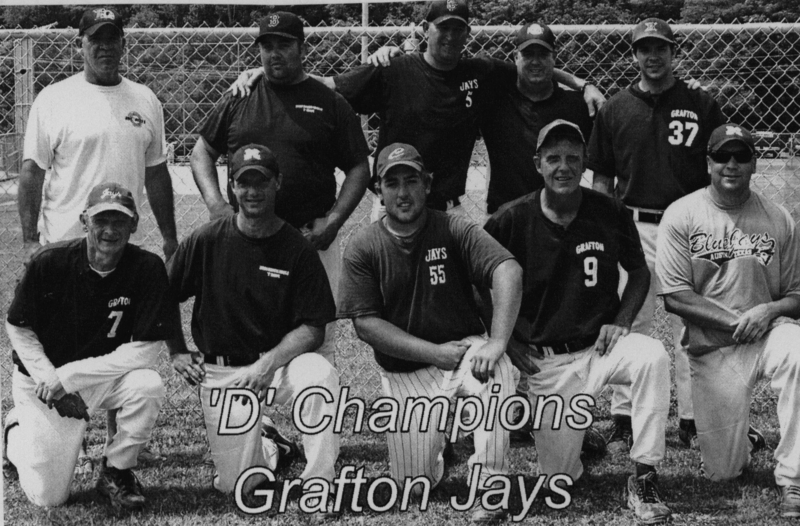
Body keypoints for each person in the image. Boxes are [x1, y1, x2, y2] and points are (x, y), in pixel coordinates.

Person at [230, 0, 605, 219]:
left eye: (459, 29)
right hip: (393, 200)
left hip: (449, 207)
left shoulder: (480, 72)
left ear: (467, 34)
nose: (451, 36)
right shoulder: (393, 69)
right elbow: (328, 85)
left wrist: (582, 83)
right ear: (426, 29)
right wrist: (264, 74)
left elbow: (535, 67)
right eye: (443, 28)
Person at [484, 120, 672, 524]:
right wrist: (506, 339)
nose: (563, 167)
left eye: (573, 157)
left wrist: (622, 320)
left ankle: (644, 476)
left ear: (586, 161)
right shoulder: (511, 219)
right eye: (553, 158)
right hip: (549, 361)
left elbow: (639, 273)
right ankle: (576, 437)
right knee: (559, 480)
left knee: (652, 356)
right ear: (538, 163)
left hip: (603, 348)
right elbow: (475, 283)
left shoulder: (609, 210)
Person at [17, 7, 178, 471]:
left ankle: (113, 451)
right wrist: (33, 242)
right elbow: (32, 172)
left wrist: (168, 238)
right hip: (66, 243)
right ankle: (37, 426)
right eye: (95, 39)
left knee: (117, 343)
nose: (105, 47)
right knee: (62, 343)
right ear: (81, 44)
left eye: (113, 38)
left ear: (123, 43)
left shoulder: (144, 99)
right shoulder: (55, 98)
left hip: (119, 246)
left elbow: (157, 173)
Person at [337, 142, 523, 523]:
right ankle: (436, 448)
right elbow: (366, 325)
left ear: (427, 183)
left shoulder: (452, 226)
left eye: (411, 181)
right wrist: (432, 354)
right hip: (407, 369)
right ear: (378, 191)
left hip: (463, 351)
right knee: (413, 487)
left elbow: (508, 270)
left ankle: (490, 486)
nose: (403, 193)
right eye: (392, 184)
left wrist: (499, 340)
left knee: (499, 371)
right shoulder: (363, 245)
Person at [168, 144, 341, 513]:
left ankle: (319, 486)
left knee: (320, 374)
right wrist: (176, 349)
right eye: (243, 183)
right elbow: (163, 297)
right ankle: (271, 443)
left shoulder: (297, 249)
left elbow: (314, 328)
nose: (252, 192)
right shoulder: (207, 239)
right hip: (224, 371)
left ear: (277, 183)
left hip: (277, 367)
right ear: (232, 187)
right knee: (238, 488)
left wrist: (269, 364)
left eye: (260, 182)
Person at [191, 11, 370, 366]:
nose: (274, 54)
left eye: (284, 45)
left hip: (310, 238)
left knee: (318, 340)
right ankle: (260, 418)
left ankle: (314, 414)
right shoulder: (241, 95)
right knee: (246, 334)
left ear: (302, 48)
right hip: (248, 239)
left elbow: (359, 167)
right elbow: (201, 152)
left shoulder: (329, 102)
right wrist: (215, 204)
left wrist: (333, 222)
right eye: (266, 46)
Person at [587, 18, 730, 453]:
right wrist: (608, 229)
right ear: (634, 54)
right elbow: (602, 179)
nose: (653, 56)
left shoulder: (700, 103)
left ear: (673, 51)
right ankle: (625, 416)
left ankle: (694, 417)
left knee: (694, 323)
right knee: (632, 319)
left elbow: (720, 166)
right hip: (634, 225)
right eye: (644, 48)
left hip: (688, 227)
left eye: (660, 48)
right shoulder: (615, 108)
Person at [3, 182, 179, 509]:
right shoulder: (51, 262)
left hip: (92, 377)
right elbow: (18, 327)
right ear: (85, 220)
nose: (110, 230)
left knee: (147, 384)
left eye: (119, 221)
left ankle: (116, 472)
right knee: (49, 498)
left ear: (135, 224)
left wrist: (70, 377)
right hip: (44, 383)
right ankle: (14, 432)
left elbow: (146, 350)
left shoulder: (147, 267)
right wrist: (52, 380)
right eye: (101, 220)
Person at [657, 123, 800, 519]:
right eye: (722, 156)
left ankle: (794, 476)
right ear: (708, 163)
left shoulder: (778, 218)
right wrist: (737, 319)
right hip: (713, 349)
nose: (731, 164)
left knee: (799, 352)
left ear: (755, 163)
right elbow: (674, 296)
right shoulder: (682, 214)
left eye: (741, 156)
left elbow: (797, 296)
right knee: (723, 474)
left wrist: (768, 311)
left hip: (767, 338)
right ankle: (738, 440)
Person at [479, 22, 593, 215]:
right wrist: (582, 83)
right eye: (528, 54)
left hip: (561, 216)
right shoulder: (495, 102)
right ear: (515, 57)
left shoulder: (576, 106)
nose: (535, 61)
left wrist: (586, 87)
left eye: (542, 55)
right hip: (505, 217)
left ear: (554, 58)